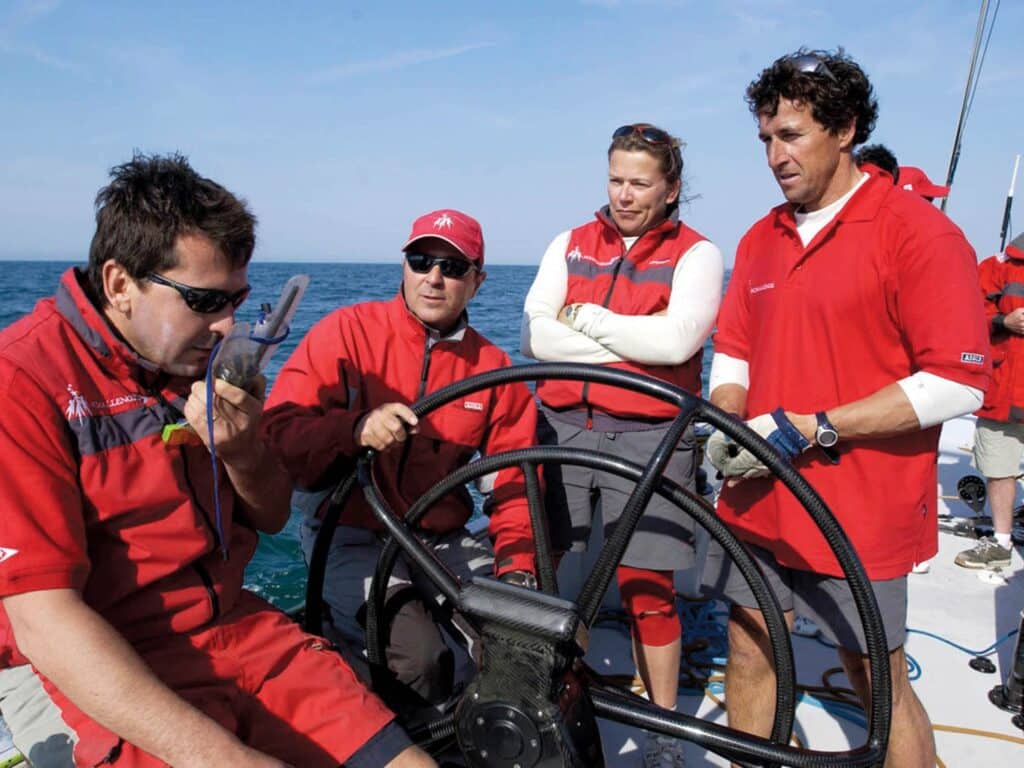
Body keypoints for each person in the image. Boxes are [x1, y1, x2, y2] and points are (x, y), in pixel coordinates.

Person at [0, 154, 433, 768]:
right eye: (204, 301)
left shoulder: (195, 362)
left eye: (238, 299)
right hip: (110, 664)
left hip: (240, 631)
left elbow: (273, 516)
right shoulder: (24, 382)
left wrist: (242, 449)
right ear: (121, 284)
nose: (228, 324)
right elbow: (46, 620)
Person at [705, 49, 990, 768]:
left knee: (874, 675)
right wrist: (729, 414)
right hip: (758, 493)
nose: (775, 155)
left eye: (792, 134)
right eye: (766, 138)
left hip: (859, 506)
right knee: (748, 641)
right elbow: (734, 350)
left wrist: (815, 427)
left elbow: (958, 383)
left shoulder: (919, 233)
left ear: (845, 129)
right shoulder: (758, 239)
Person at [262, 209, 539, 715]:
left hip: (440, 539)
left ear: (478, 281)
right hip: (348, 532)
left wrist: (518, 571)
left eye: (453, 267)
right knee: (421, 660)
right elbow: (278, 430)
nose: (434, 277)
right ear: (404, 267)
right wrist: (353, 429)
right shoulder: (345, 332)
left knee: (525, 646)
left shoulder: (495, 370)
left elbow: (515, 483)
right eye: (421, 260)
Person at [521, 122, 724, 767]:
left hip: (650, 441)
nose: (625, 194)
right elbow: (534, 337)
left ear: (671, 189)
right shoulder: (569, 242)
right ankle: (539, 699)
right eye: (616, 179)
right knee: (545, 571)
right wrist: (633, 347)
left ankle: (662, 730)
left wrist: (584, 320)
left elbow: (678, 345)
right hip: (562, 429)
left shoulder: (698, 254)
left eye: (641, 182)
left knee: (646, 586)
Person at [956, 231, 1024, 570]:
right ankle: (1001, 542)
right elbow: (966, 318)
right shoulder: (996, 268)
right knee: (999, 469)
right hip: (1004, 396)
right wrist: (1003, 321)